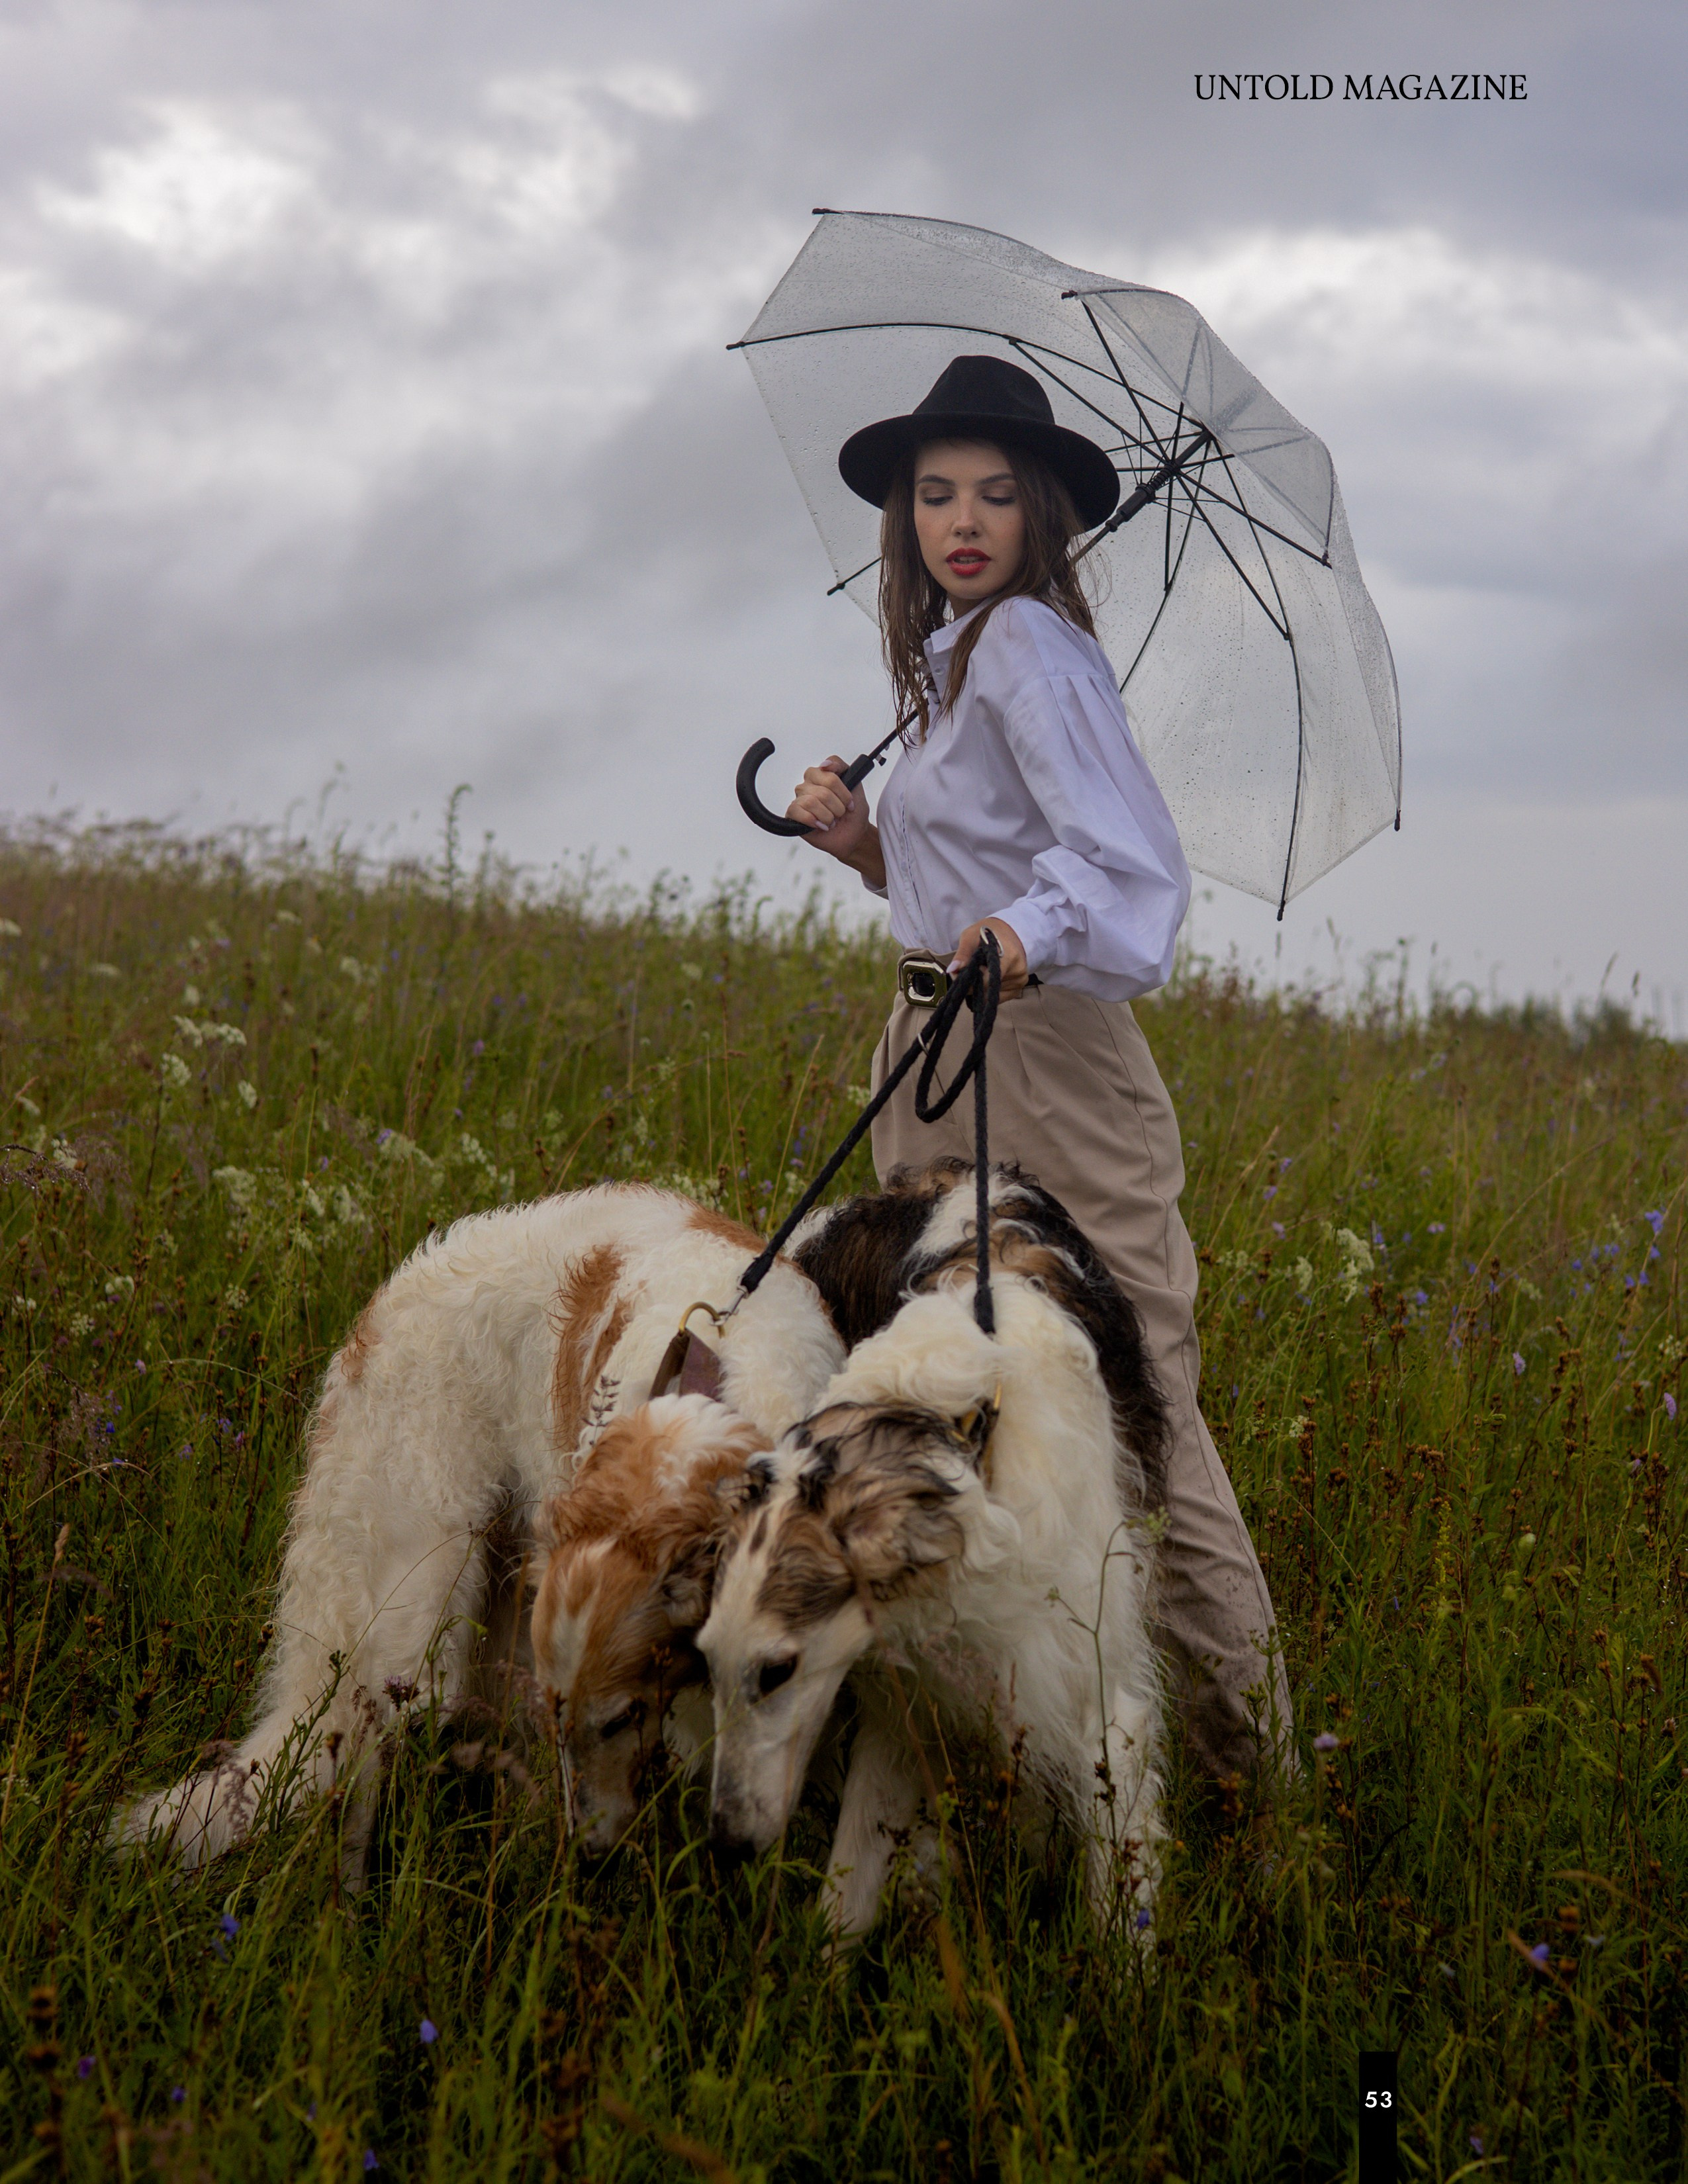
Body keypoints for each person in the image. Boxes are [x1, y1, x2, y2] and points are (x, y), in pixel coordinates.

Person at [784, 353, 1292, 1790]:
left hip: (1050, 1064)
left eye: (997, 496)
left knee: (1139, 1413)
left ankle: (1250, 1776)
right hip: (936, 1051)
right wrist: (866, 848)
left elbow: (1125, 868)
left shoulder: (1029, 650)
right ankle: (973, 1751)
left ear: (1042, 515)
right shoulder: (950, 661)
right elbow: (977, 877)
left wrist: (1025, 927)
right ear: (903, 518)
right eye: (935, 493)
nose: (962, 518)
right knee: (936, 1389)